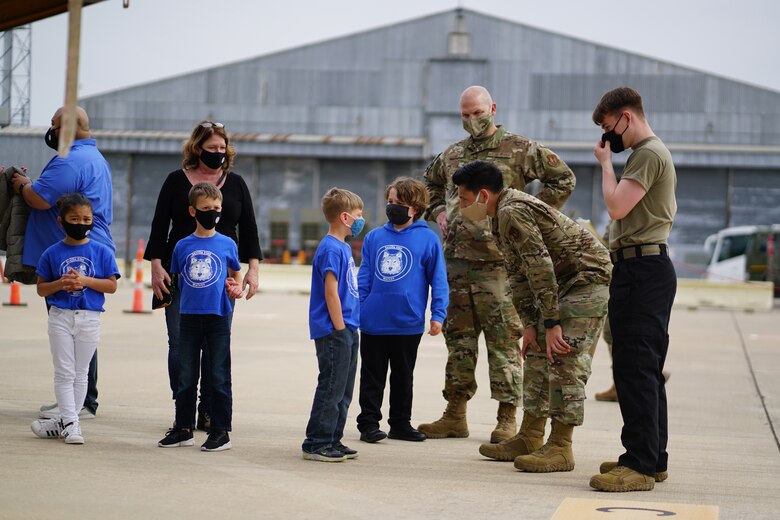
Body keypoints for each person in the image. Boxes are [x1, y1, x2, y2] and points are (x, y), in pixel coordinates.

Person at [421, 85, 576, 443]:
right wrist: (439, 210)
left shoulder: (521, 150)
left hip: (501, 267)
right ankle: (455, 415)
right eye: (464, 115)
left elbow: (563, 178)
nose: (472, 121)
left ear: (492, 108)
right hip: (457, 264)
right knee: (458, 342)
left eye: (477, 113)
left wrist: (529, 215)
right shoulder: (453, 154)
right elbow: (428, 185)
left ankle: (507, 418)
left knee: (505, 344)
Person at [452, 161, 610, 473]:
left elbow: (540, 268)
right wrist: (530, 325)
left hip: (584, 281)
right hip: (560, 285)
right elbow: (518, 274)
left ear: (483, 194)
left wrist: (551, 324)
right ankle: (530, 436)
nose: (461, 205)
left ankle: (561, 447)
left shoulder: (513, 210)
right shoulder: (499, 215)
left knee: (565, 358)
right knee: (537, 354)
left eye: (465, 198)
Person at [145, 120, 262, 432]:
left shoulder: (235, 184)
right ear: (197, 149)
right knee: (179, 345)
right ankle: (182, 408)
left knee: (215, 346)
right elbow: (159, 226)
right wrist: (156, 266)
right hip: (178, 276)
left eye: (223, 149)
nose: (219, 154)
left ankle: (207, 410)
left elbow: (248, 228)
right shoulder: (174, 181)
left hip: (222, 281)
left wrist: (252, 269)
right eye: (212, 149)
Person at [589, 87, 677, 492]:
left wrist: (606, 165)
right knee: (642, 368)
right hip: (639, 268)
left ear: (627, 117)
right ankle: (650, 457)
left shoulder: (647, 154)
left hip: (643, 269)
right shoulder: (647, 155)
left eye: (610, 129)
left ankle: (640, 464)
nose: (609, 139)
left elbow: (617, 207)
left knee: (636, 368)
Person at [10, 106, 114, 421]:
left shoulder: (72, 159)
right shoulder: (94, 158)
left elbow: (38, 198)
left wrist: (20, 184)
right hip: (79, 254)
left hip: (77, 258)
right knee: (77, 330)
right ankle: (77, 398)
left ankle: (81, 401)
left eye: (55, 124)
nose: (51, 130)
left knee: (73, 331)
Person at [356, 178, 448, 444]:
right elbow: (365, 276)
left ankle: (399, 423)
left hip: (407, 322)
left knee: (403, 377)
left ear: (415, 208)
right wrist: (360, 307)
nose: (392, 207)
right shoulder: (374, 237)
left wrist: (438, 314)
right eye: (390, 202)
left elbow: (438, 280)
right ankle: (369, 424)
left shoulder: (428, 239)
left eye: (399, 203)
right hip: (373, 321)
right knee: (371, 377)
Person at [157, 183, 243, 452]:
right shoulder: (182, 245)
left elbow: (235, 274)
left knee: (218, 375)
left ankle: (220, 431)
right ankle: (183, 428)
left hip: (218, 317)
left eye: (216, 208)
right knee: (186, 375)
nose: (213, 213)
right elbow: (179, 278)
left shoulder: (228, 243)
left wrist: (235, 287)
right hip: (189, 317)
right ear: (193, 211)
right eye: (206, 209)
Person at [29, 194, 119, 444]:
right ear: (61, 221)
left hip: (90, 318)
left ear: (93, 221)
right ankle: (71, 424)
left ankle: (65, 421)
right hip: (60, 317)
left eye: (86, 219)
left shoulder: (101, 251)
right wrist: (61, 283)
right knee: (64, 372)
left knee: (81, 373)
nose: (81, 223)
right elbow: (41, 288)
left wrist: (85, 281)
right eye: (74, 219)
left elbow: (111, 286)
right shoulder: (51, 253)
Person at [302, 188, 364, 462]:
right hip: (334, 330)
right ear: (344, 216)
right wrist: (340, 329)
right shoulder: (329, 248)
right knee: (331, 386)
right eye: (359, 215)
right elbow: (331, 291)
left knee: (344, 389)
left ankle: (333, 439)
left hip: (349, 327)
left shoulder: (344, 247)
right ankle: (317, 442)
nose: (361, 221)